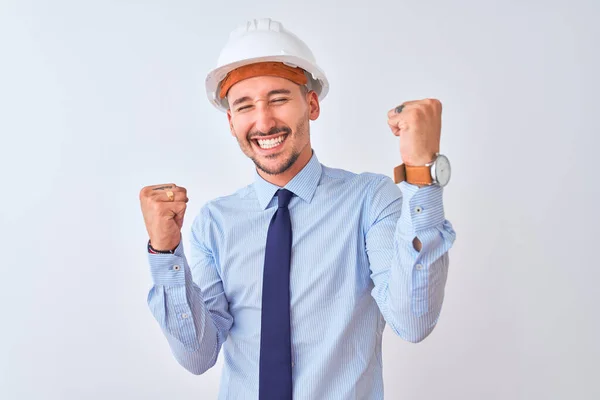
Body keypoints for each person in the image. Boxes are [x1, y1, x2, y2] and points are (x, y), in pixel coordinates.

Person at [139, 17, 456, 400]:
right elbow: (197, 355)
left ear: (311, 103)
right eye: (244, 106)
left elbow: (413, 320)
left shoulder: (369, 200)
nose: (263, 120)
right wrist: (164, 252)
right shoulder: (215, 223)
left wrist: (422, 177)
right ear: (230, 121)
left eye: (278, 98)